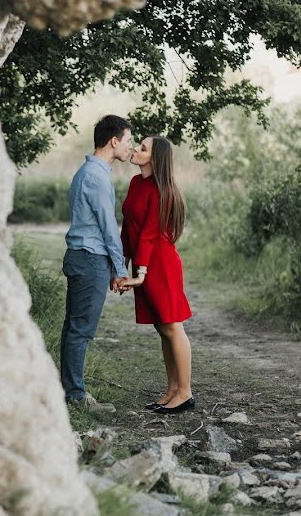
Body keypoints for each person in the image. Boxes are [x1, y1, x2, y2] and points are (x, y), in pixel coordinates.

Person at [61, 115, 134, 411]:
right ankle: (76, 397)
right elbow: (108, 228)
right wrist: (119, 269)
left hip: (82, 257)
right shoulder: (96, 177)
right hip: (89, 259)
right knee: (80, 330)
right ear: (114, 141)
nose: (130, 147)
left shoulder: (87, 172)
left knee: (73, 328)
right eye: (128, 140)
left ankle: (68, 392)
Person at [118, 135, 195, 414]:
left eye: (143, 148)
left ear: (155, 158)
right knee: (162, 328)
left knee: (172, 326)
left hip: (159, 264)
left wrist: (140, 273)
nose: (136, 149)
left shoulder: (162, 190)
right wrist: (121, 264)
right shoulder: (136, 183)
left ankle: (185, 392)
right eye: (137, 145)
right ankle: (172, 390)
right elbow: (128, 229)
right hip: (144, 262)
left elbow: (150, 234)